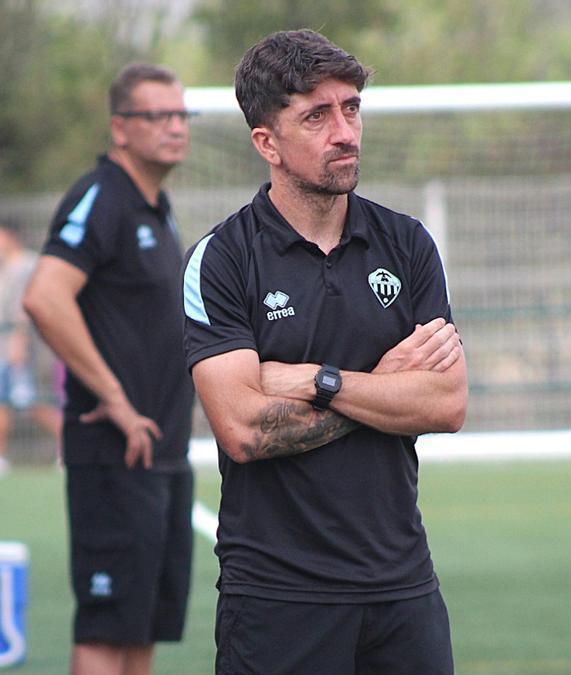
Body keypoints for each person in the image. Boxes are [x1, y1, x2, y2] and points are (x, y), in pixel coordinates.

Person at [182, 30, 467, 674]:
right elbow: (244, 430)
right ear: (267, 143)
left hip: (402, 587)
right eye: (317, 115)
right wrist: (385, 387)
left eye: (352, 108)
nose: (345, 131)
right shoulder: (223, 260)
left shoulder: (408, 244)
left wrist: (319, 380)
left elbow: (445, 403)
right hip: (278, 596)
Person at [21, 63, 195, 675]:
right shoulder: (102, 197)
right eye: (159, 116)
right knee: (105, 626)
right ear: (120, 128)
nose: (176, 127)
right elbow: (44, 296)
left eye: (181, 115)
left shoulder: (156, 206)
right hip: (114, 451)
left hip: (163, 452)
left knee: (141, 625)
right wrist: (116, 400)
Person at [0, 222, 62, 478]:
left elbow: (25, 309)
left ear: (10, 237)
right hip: (2, 346)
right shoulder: (1, 267)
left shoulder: (25, 267)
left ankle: (69, 445)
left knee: (30, 403)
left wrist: (18, 344)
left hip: (18, 348)